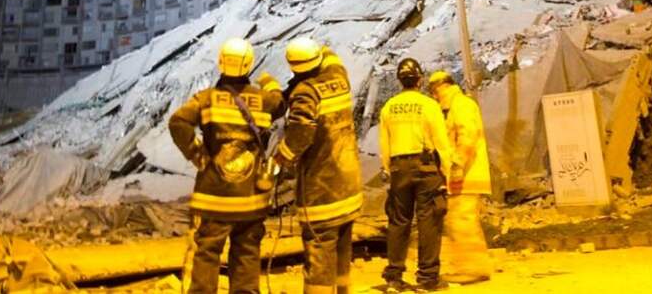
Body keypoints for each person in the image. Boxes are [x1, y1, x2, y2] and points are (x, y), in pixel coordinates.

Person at [168, 37, 286, 294]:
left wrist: (197, 155)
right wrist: (269, 82)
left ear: (221, 62)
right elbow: (280, 103)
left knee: (207, 255)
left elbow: (178, 123)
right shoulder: (264, 101)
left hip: (213, 200)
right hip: (251, 201)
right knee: (246, 256)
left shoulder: (206, 99)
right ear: (249, 64)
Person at [274, 37, 363, 294]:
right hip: (349, 187)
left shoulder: (305, 93)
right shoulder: (339, 76)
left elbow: (300, 134)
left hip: (321, 195)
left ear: (294, 66)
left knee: (319, 259)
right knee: (342, 254)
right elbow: (330, 54)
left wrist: (280, 157)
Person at [378, 58, 452, 292]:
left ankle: (394, 277)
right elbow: (441, 142)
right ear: (419, 79)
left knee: (399, 221)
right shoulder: (429, 105)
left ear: (399, 80)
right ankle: (427, 278)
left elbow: (384, 145)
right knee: (428, 220)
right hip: (425, 167)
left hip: (399, 168)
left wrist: (390, 171)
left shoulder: (389, 106)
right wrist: (446, 174)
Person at [428, 70, 492, 284]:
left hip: (467, 174)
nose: (435, 96)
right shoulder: (455, 106)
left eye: (434, 91)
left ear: (440, 87)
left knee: (462, 221)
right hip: (463, 174)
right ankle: (471, 266)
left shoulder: (462, 105)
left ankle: (472, 269)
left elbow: (468, 136)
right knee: (459, 221)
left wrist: (457, 165)